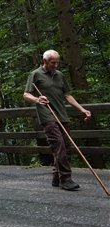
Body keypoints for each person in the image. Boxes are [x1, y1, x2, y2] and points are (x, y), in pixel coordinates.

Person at [23, 49, 91, 191]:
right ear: (45, 61)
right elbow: (26, 94)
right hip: (47, 115)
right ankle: (66, 179)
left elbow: (67, 95)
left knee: (66, 146)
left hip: (62, 115)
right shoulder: (35, 74)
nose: (56, 65)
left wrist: (82, 109)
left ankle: (56, 176)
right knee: (58, 144)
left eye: (57, 62)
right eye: (53, 62)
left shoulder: (60, 75)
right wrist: (37, 99)